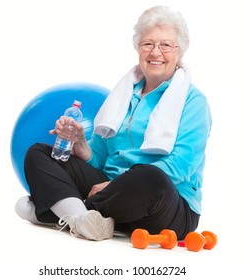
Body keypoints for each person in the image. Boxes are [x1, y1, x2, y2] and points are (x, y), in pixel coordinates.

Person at [15, 5, 212, 241]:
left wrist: (114, 185)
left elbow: (180, 167)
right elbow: (100, 159)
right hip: (110, 192)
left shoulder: (193, 101)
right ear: (138, 49)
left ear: (179, 52)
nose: (156, 52)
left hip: (165, 203)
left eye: (166, 45)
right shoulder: (122, 96)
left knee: (149, 177)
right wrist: (81, 147)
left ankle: (58, 212)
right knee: (39, 152)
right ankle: (83, 220)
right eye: (148, 44)